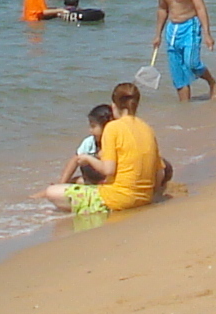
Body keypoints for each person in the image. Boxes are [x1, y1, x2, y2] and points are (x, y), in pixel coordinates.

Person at [38, 80, 169, 214]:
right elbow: (160, 172)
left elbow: (108, 170)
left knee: (52, 192)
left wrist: (87, 159)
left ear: (114, 105)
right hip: (145, 198)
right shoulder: (147, 128)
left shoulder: (113, 128)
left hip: (117, 199)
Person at [146, 0, 214, 101]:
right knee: (177, 71)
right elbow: (163, 8)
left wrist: (207, 33)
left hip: (190, 24)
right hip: (172, 28)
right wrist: (158, 34)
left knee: (192, 63)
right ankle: (185, 108)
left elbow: (200, 7)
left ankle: (212, 83)